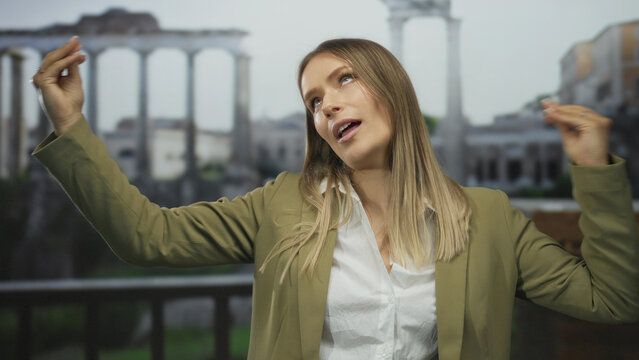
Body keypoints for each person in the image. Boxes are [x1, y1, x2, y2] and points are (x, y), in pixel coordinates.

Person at [31, 36, 638, 360]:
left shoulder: (489, 218)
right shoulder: (279, 206)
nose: (328, 105)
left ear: (392, 90)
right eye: (314, 101)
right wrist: (71, 128)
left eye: (344, 79)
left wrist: (595, 173)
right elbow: (148, 236)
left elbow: (613, 302)